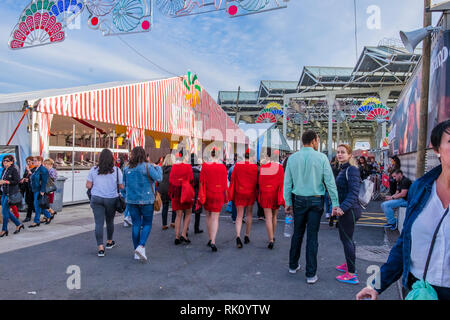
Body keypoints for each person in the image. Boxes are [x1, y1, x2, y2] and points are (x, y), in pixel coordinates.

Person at [357, 120, 450, 300]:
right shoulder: (421, 189)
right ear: (436, 149)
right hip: (419, 291)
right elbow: (405, 243)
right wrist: (377, 284)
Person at [284, 130, 339, 284]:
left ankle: (293, 265)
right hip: (316, 201)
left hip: (298, 200)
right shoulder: (321, 158)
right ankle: (311, 274)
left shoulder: (292, 158)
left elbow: (287, 183)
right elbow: (330, 182)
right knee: (312, 236)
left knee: (297, 233)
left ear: (302, 141)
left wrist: (288, 202)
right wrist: (335, 203)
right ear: (314, 140)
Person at [123, 146, 162, 261]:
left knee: (135, 224)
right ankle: (141, 246)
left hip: (131, 200)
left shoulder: (126, 168)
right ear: (144, 155)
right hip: (146, 200)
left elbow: (124, 184)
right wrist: (157, 167)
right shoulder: (148, 167)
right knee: (147, 224)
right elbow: (159, 178)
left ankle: (136, 251)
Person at [333, 144, 362, 285]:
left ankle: (351, 273)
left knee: (347, 241)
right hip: (347, 209)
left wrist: (341, 208)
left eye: (343, 152)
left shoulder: (352, 170)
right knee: (348, 239)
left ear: (350, 155)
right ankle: (349, 264)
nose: (339, 154)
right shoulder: (344, 169)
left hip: (349, 210)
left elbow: (353, 193)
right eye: (338, 152)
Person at [86, 149, 123, 257]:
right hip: (111, 198)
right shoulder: (116, 170)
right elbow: (121, 186)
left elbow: (88, 185)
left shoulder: (94, 169)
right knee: (110, 221)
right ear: (112, 159)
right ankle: (109, 242)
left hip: (96, 198)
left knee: (98, 223)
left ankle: (100, 248)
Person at [228, 148, 258, 248]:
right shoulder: (254, 167)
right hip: (250, 193)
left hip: (239, 192)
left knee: (239, 216)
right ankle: (246, 235)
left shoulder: (237, 166)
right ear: (252, 156)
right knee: (249, 214)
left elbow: (232, 179)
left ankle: (238, 236)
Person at [199, 148, 228, 252]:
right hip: (218, 193)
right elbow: (225, 184)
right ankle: (213, 241)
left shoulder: (205, 166)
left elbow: (201, 181)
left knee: (208, 216)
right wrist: (226, 197)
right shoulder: (223, 167)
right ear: (219, 155)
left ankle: (210, 237)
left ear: (210, 155)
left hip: (208, 194)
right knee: (215, 218)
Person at [258, 148, 285, 249]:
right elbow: (282, 183)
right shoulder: (280, 168)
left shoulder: (263, 167)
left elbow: (260, 183)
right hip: (275, 194)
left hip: (266, 193)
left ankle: (270, 239)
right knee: (274, 217)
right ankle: (272, 236)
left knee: (268, 217)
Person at [169, 149, 194, 245]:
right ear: (186, 156)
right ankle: (184, 234)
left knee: (178, 215)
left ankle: (177, 236)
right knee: (188, 213)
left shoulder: (174, 166)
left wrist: (172, 193)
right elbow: (191, 180)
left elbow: (171, 181)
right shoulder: (188, 167)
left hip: (176, 193)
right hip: (185, 192)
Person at [0, 155, 24, 236]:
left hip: (10, 193)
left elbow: (17, 181)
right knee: (5, 211)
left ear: (11, 162)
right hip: (4, 192)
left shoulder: (13, 170)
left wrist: (6, 182)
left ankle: (4, 230)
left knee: (4, 212)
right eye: (4, 161)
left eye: (7, 161)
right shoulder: (4, 170)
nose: (5, 162)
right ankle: (18, 224)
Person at [29, 156, 53, 228]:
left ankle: (36, 221)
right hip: (35, 189)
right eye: (34, 160)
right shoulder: (36, 169)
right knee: (40, 205)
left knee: (37, 205)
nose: (34, 162)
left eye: (36, 161)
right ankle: (48, 216)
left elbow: (44, 181)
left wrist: (42, 190)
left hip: (39, 190)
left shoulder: (43, 169)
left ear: (40, 161)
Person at [159, 154, 176, 230]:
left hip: (163, 189)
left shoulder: (161, 168)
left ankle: (164, 224)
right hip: (171, 189)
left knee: (165, 206)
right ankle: (173, 222)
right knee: (174, 206)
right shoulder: (174, 168)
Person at [19, 156, 36, 223]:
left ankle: (28, 216)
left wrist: (28, 178)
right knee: (28, 202)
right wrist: (23, 179)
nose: (28, 163)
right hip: (27, 188)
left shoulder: (35, 169)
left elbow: (33, 178)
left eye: (29, 161)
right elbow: (24, 176)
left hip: (32, 188)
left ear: (33, 161)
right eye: (27, 162)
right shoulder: (27, 169)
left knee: (31, 203)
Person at [191, 153, 203, 234]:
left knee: (187, 213)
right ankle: (196, 228)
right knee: (197, 212)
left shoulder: (188, 172)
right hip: (197, 193)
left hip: (189, 193)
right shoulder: (199, 173)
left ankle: (186, 230)